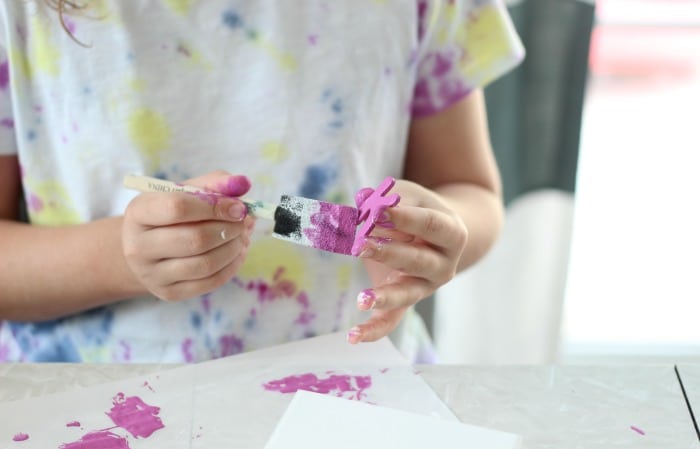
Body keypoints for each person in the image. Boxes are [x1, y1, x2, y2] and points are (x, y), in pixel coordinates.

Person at [0, 0, 524, 363]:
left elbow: (469, 189)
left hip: (360, 392)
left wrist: (432, 232)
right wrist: (121, 256)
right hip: (92, 407)